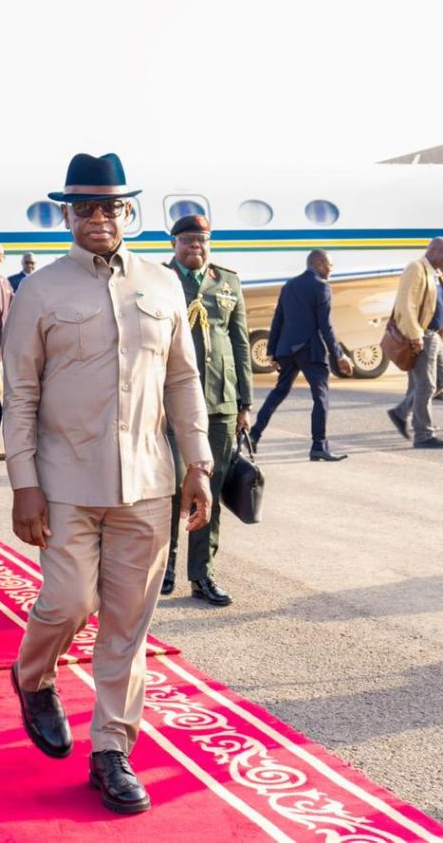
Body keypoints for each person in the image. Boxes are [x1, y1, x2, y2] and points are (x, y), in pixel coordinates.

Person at [2, 153, 212, 816]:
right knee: (68, 603)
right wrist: (23, 482)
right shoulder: (40, 291)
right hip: (64, 481)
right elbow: (20, 392)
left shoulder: (163, 284)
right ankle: (32, 675)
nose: (99, 217)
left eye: (111, 206)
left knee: (127, 624)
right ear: (67, 215)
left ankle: (111, 751)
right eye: (86, 207)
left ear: (128, 212)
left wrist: (198, 463)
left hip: (147, 482)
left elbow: (183, 379)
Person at [161, 214, 251, 606]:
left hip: (220, 401)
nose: (195, 245)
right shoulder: (160, 280)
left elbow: (240, 342)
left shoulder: (227, 281)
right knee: (169, 489)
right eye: (187, 240)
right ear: (174, 245)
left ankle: (202, 574)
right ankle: (163, 568)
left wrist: (245, 402)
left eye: (202, 239)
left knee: (209, 490)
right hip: (171, 403)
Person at [250, 249, 354, 460]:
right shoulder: (321, 287)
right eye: (329, 265)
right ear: (318, 263)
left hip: (287, 350)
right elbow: (325, 325)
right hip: (310, 350)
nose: (331, 270)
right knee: (320, 397)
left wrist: (272, 351)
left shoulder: (289, 286)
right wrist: (339, 355)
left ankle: (253, 435)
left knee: (279, 392)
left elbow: (278, 319)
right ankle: (318, 446)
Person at [386, 238, 443, 449]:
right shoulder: (416, 268)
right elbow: (406, 304)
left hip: (435, 335)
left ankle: (401, 412)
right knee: (426, 385)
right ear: (432, 251)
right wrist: (415, 335)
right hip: (421, 335)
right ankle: (423, 435)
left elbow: (440, 306)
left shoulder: (437, 274)